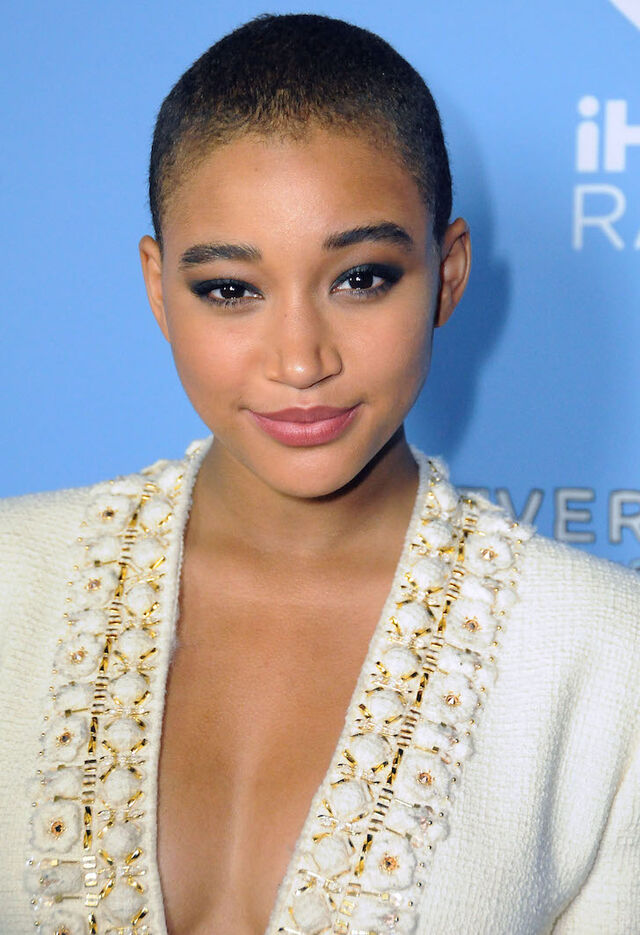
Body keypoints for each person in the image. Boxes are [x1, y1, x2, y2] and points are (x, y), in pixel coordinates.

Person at [0, 12, 638, 935]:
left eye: (361, 277)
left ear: (449, 273)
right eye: (231, 289)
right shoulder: (11, 576)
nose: (300, 361)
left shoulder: (606, 660)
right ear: (157, 288)